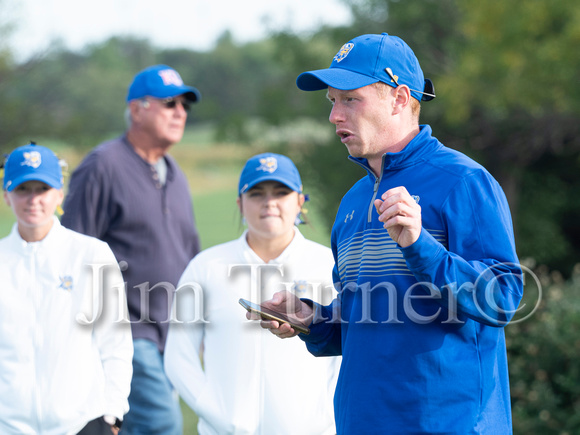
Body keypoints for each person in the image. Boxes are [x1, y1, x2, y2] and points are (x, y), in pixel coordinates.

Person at [256, 33, 524, 434]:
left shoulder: (463, 181)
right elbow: (363, 324)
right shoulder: (352, 202)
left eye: (350, 99)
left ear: (399, 98)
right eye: (332, 101)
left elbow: (502, 298)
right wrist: (311, 319)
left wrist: (421, 247)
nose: (334, 116)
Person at [61, 64, 202, 435]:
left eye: (185, 105)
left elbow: (189, 254)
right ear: (137, 109)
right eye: (169, 103)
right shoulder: (102, 166)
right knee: (161, 424)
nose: (180, 112)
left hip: (171, 333)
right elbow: (70, 251)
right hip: (126, 330)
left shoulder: (174, 172)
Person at [164, 152, 340, 435]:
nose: (269, 202)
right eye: (256, 193)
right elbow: (178, 356)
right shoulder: (206, 267)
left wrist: (324, 418)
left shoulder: (328, 265)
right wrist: (220, 415)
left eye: (281, 192)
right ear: (240, 204)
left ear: (299, 202)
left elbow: (347, 354)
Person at [0, 143, 133, 435]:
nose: (33, 199)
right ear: (7, 195)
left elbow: (116, 342)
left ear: (59, 194)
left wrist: (112, 414)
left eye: (42, 189)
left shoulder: (92, 254)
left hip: (83, 423)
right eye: (23, 189)